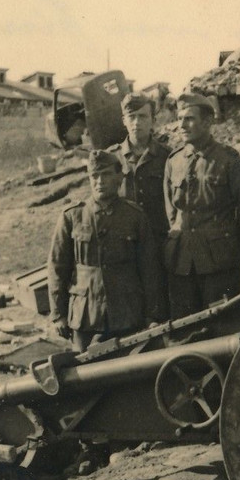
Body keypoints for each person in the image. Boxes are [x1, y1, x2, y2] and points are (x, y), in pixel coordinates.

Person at [48, 150, 165, 352]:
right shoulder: (72, 216)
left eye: (106, 174)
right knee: (83, 375)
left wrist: (151, 315)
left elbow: (149, 268)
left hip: (127, 313)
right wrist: (58, 315)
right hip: (85, 315)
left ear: (119, 178)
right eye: (95, 176)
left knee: (129, 372)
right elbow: (57, 267)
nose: (99, 181)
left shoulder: (134, 216)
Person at [163, 93, 240, 318]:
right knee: (184, 329)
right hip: (182, 264)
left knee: (224, 327)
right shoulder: (174, 161)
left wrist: (236, 249)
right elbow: (172, 213)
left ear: (208, 122)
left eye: (189, 118)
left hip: (220, 264)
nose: (182, 125)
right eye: (179, 118)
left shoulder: (230, 161)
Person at [107, 92, 170, 250]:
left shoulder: (167, 155)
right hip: (125, 243)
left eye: (142, 116)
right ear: (124, 121)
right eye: (132, 117)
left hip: (160, 242)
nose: (136, 123)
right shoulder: (112, 157)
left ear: (153, 120)